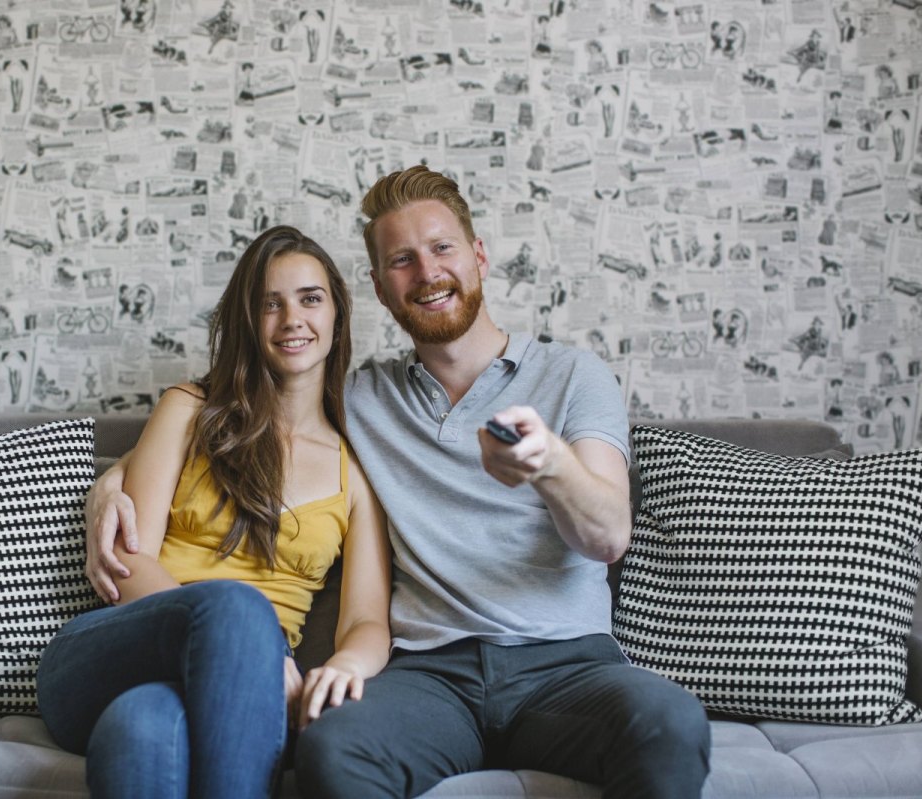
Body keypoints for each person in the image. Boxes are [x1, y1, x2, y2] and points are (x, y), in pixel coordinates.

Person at [84, 167, 709, 797]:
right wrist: (109, 481)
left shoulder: (574, 376)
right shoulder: (358, 399)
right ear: (381, 290)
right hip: (429, 675)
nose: (427, 272)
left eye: (441, 249)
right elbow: (237, 415)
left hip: (566, 664)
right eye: (402, 261)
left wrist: (548, 463)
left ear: (479, 257)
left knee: (671, 723)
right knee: (333, 749)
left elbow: (607, 535)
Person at [41, 225, 391, 799]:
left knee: (141, 729)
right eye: (269, 303)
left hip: (220, 699)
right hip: (112, 652)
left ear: (337, 314)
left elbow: (366, 623)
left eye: (310, 298)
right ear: (248, 322)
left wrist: (345, 665)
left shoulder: (356, 469)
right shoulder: (190, 409)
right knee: (238, 608)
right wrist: (249, 642)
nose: (292, 318)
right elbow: (130, 561)